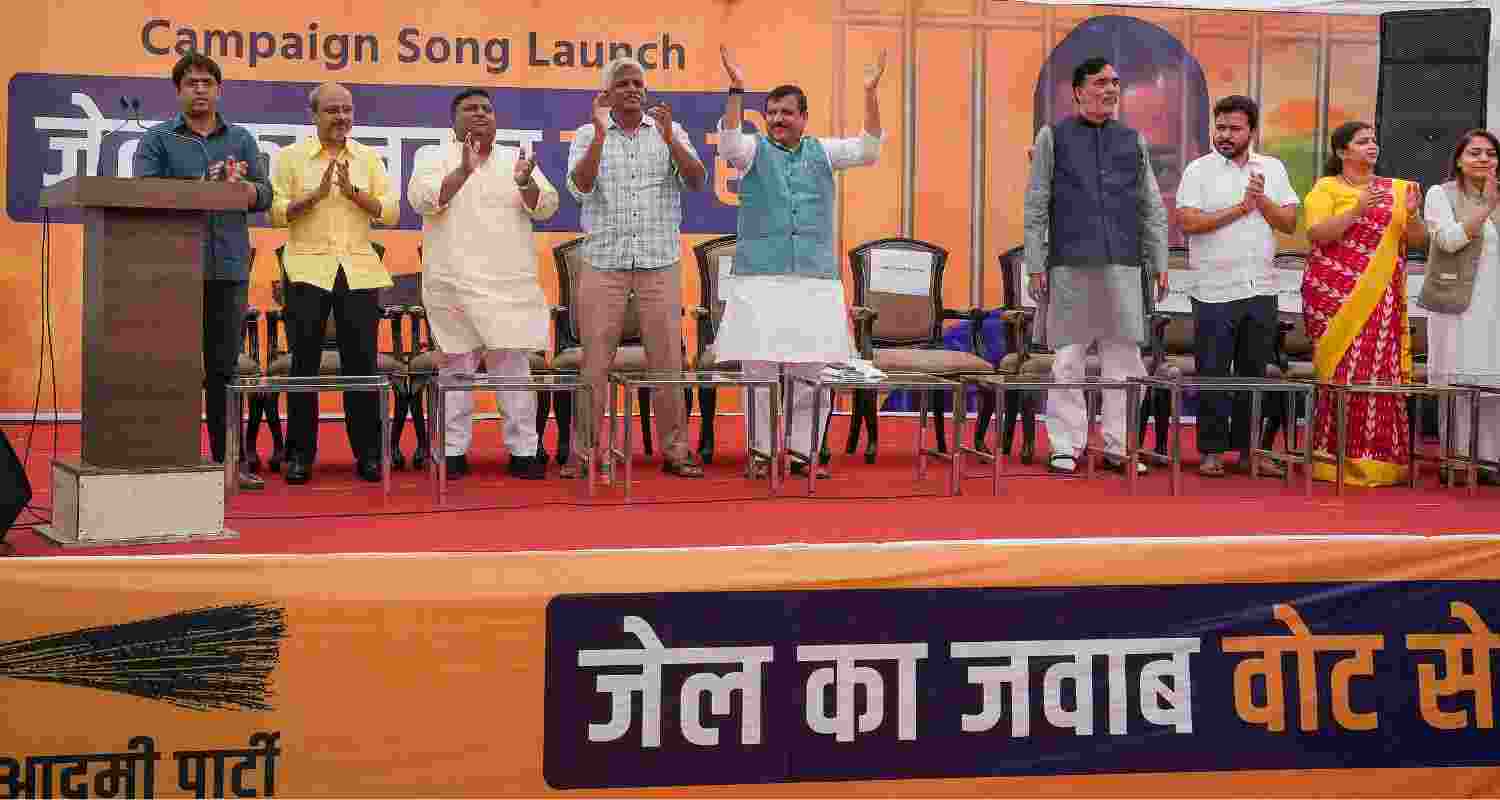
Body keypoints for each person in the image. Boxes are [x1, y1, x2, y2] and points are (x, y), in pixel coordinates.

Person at [714, 47, 886, 480]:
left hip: (813, 278)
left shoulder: (823, 152)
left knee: (810, 369)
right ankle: (759, 451)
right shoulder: (753, 152)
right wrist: (736, 88)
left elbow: (869, 149)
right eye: (771, 112)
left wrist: (869, 92)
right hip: (761, 278)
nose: (777, 119)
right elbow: (730, 143)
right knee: (759, 369)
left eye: (786, 113)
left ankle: (803, 452)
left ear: (804, 117)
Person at [1023, 57, 1169, 476]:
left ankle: (1120, 447)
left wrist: (1158, 261)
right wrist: (1036, 263)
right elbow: (1036, 206)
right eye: (1101, 82)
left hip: (1123, 264)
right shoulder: (1053, 137)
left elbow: (1152, 207)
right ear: (1078, 91)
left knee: (1124, 361)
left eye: (1115, 82)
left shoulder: (1132, 140)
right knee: (1068, 359)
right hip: (1069, 263)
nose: (1110, 89)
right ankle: (1065, 446)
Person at [564, 57, 708, 479]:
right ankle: (586, 452)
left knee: (667, 360)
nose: (632, 89)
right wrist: (599, 134)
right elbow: (581, 187)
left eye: (638, 83)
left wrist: (671, 139)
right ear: (607, 94)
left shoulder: (669, 131)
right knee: (594, 361)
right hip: (603, 263)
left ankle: (677, 450)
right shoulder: (588, 134)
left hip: (657, 261)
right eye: (623, 83)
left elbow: (698, 180)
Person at [135, 51, 273, 491]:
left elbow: (266, 195)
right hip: (173, 269)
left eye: (207, 83)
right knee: (172, 366)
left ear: (219, 90)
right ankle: (172, 460)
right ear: (178, 91)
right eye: (191, 82)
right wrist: (201, 188)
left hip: (228, 267)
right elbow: (145, 194)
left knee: (224, 370)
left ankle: (226, 462)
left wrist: (241, 188)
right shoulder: (158, 140)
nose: (199, 89)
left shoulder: (242, 139)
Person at [408, 88, 560, 480]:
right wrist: (463, 169)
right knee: (456, 368)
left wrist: (526, 183)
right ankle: (453, 451)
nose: (480, 114)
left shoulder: (516, 159)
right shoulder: (431, 155)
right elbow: (423, 201)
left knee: (513, 371)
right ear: (453, 120)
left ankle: (525, 450)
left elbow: (545, 206)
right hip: (453, 281)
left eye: (487, 109)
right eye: (470, 109)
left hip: (507, 284)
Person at [270, 82, 400, 486]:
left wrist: (352, 192)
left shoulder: (368, 158)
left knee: (361, 365)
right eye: (332, 110)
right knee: (303, 365)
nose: (341, 117)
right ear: (314, 116)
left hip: (359, 270)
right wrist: (317, 195)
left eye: (346, 110)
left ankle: (369, 455)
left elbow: (391, 212)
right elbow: (275, 212)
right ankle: (299, 456)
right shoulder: (291, 157)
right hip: (307, 269)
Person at [1174, 96, 1297, 478]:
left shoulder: (1271, 169)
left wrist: (1261, 201)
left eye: (1234, 129)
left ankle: (1249, 451)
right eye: (1220, 127)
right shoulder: (1199, 170)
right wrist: (1240, 209)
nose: (1225, 135)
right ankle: (1211, 451)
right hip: (1213, 288)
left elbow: (1290, 223)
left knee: (1252, 372)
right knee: (1212, 371)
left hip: (1260, 286)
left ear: (1252, 132)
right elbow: (1189, 223)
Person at [1301, 121, 1426, 486]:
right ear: (1342, 152)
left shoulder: (1398, 190)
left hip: (1380, 299)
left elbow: (1417, 240)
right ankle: (1333, 460)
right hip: (1334, 296)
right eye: (1362, 141)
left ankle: (1382, 461)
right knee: (1340, 374)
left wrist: (1414, 215)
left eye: (1373, 140)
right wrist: (1356, 209)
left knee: (1376, 375)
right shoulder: (1326, 187)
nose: (1371, 146)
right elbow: (1317, 234)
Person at [1422, 129, 1500, 483]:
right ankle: (1457, 459)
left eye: (1490, 153)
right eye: (1475, 153)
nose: (1483, 159)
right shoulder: (1441, 194)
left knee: (1492, 384)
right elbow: (1448, 240)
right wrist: (1484, 210)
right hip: (1457, 303)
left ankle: (1490, 461)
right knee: (1458, 382)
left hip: (1494, 303)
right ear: (1458, 160)